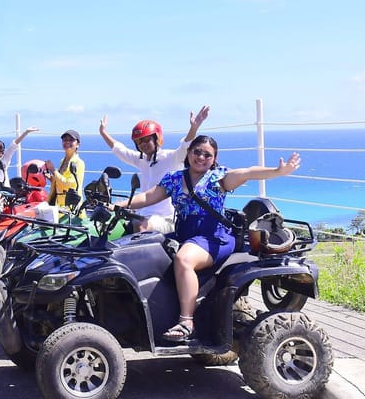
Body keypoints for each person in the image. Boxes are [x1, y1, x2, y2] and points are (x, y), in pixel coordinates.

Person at [120, 135, 301, 342]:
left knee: (183, 259)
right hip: (184, 234)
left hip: (213, 236)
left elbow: (247, 173)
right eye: (197, 151)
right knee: (143, 250)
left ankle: (186, 320)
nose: (201, 157)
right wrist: (119, 205)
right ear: (188, 153)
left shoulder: (217, 178)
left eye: (208, 154)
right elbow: (147, 197)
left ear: (214, 159)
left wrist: (278, 171)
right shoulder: (174, 178)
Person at [98, 105, 211, 233]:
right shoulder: (142, 160)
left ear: (157, 138)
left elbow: (185, 147)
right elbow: (120, 150)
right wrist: (103, 133)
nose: (143, 144)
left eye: (147, 140)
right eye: (139, 142)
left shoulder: (171, 157)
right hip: (142, 214)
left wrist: (194, 128)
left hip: (166, 218)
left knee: (140, 226)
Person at [45, 130, 85, 207]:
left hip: (71, 206)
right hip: (59, 204)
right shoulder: (62, 161)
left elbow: (69, 184)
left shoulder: (79, 163)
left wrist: (53, 170)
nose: (67, 142)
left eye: (71, 140)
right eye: (65, 140)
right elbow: (61, 181)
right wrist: (51, 178)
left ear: (78, 144)